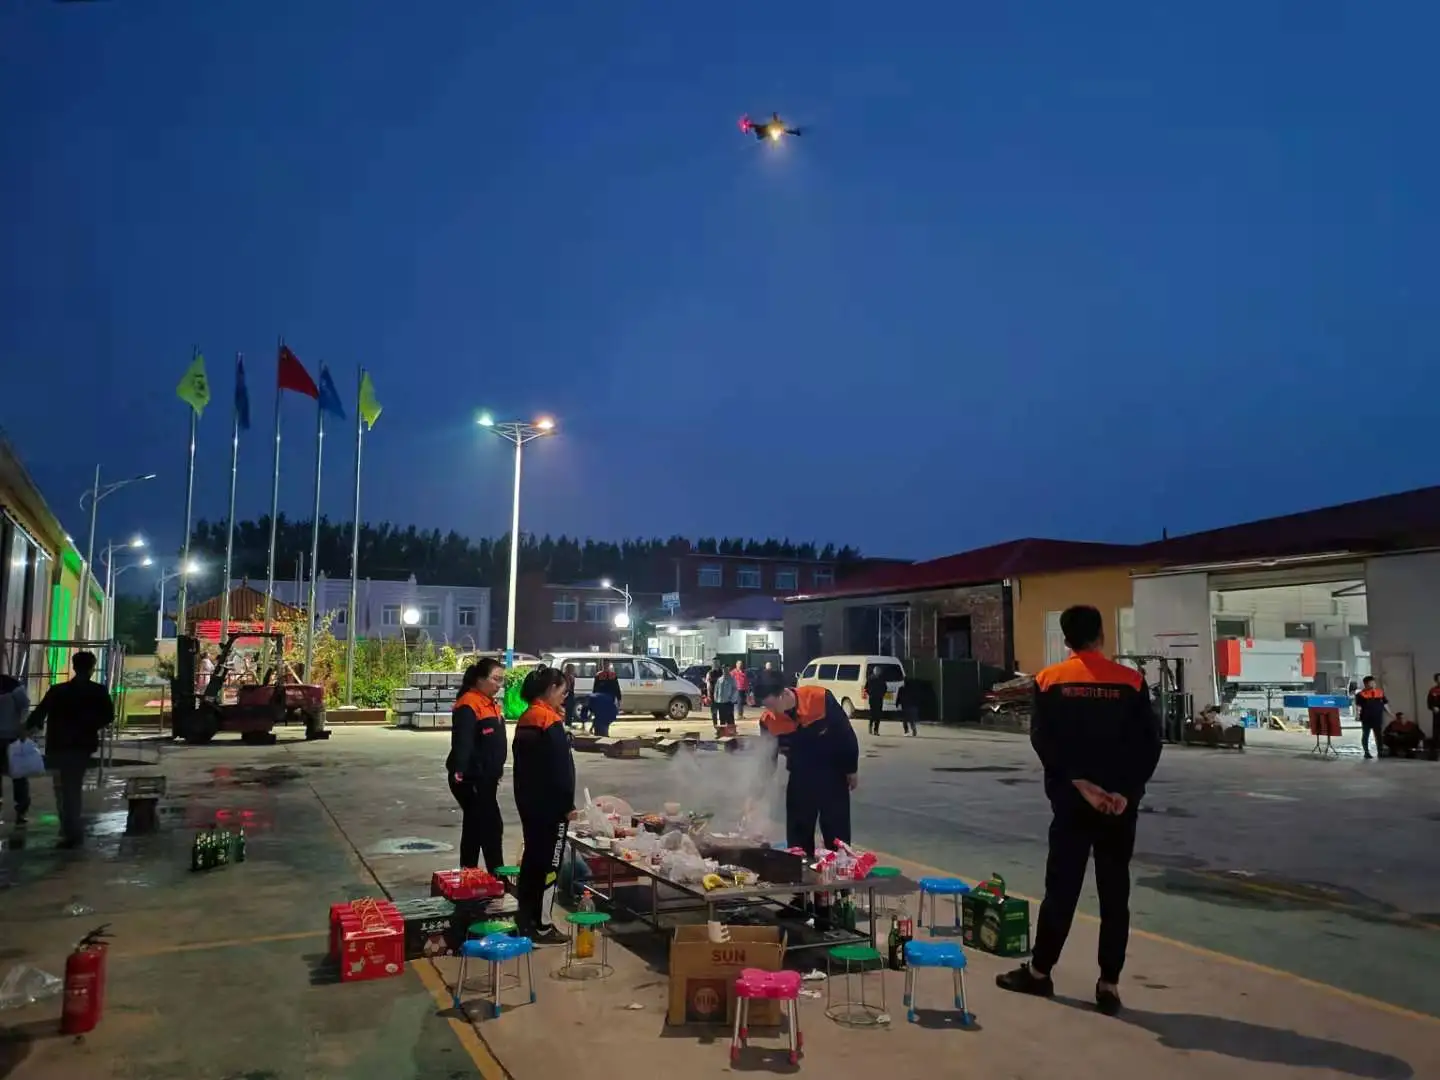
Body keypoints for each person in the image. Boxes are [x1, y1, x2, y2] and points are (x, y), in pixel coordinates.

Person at [996, 605, 1161, 1017]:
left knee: (1062, 890)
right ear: (1101, 635)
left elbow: (1044, 740)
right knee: (1115, 893)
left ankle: (1040, 972)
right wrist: (1124, 791)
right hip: (1118, 808)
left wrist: (1079, 783)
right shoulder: (1130, 681)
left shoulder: (1049, 680)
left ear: (1066, 640)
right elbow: (1149, 744)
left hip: (1072, 804)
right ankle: (1109, 985)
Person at [755, 673, 859, 857]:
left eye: (772, 705)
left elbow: (845, 734)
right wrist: (758, 793)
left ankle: (840, 871)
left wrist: (851, 769)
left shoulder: (819, 698)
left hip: (832, 774)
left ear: (783, 694)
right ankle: (801, 872)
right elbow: (768, 759)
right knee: (798, 839)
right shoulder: (768, 721)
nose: (771, 711)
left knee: (837, 834)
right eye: (766, 706)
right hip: (800, 777)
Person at [512, 666, 576, 946]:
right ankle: (543, 925)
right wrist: (567, 805)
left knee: (532, 862)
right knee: (550, 866)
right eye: (563, 691)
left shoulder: (527, 718)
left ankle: (525, 919)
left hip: (529, 802)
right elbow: (560, 771)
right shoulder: (549, 721)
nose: (565, 696)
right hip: (551, 808)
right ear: (550, 689)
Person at [27, 651, 115, 849]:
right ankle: (72, 830)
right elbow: (108, 716)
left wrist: (26, 731)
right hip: (82, 746)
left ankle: (69, 828)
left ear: (74, 667)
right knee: (72, 787)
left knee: (62, 789)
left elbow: (39, 713)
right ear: (92, 669)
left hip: (58, 745)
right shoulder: (98, 691)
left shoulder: (58, 691)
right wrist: (90, 725)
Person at [447, 659, 507, 874]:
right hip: (471, 779)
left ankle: (470, 873)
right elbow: (463, 742)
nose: (499, 684)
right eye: (495, 679)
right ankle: (494, 874)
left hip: (486, 779)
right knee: (489, 826)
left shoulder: (489, 703)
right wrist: (461, 771)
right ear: (480, 679)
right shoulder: (469, 704)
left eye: (501, 680)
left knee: (476, 826)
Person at [0, 672, 33, 826]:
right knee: (17, 775)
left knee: (18, 774)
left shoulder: (13, 686)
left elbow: (25, 706)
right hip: (9, 735)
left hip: (12, 736)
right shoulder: (12, 686)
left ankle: (21, 809)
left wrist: (23, 727)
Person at [1355, 676, 1391, 760]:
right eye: (1371, 683)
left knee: (1379, 735)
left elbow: (1385, 704)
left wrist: (1390, 713)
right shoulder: (1360, 695)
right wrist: (1358, 715)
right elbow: (1358, 706)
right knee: (1366, 735)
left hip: (1377, 717)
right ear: (1365, 684)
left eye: (1374, 682)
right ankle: (1366, 752)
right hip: (1366, 717)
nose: (1373, 684)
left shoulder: (1380, 692)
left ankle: (1380, 751)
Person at [864, 666, 891, 736]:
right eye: (877, 671)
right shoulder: (871, 678)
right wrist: (871, 693)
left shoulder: (880, 679)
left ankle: (875, 729)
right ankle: (872, 728)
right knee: (874, 714)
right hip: (874, 698)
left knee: (877, 714)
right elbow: (866, 688)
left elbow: (885, 688)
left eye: (878, 671)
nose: (878, 672)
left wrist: (881, 694)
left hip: (877, 698)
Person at [714, 665, 738, 730]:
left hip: (728, 702)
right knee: (722, 718)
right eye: (723, 670)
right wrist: (716, 699)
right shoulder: (719, 679)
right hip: (720, 702)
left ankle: (731, 731)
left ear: (728, 670)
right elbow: (716, 690)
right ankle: (722, 731)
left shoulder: (732, 679)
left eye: (726, 669)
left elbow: (735, 689)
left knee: (730, 718)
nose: (725, 671)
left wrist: (732, 699)